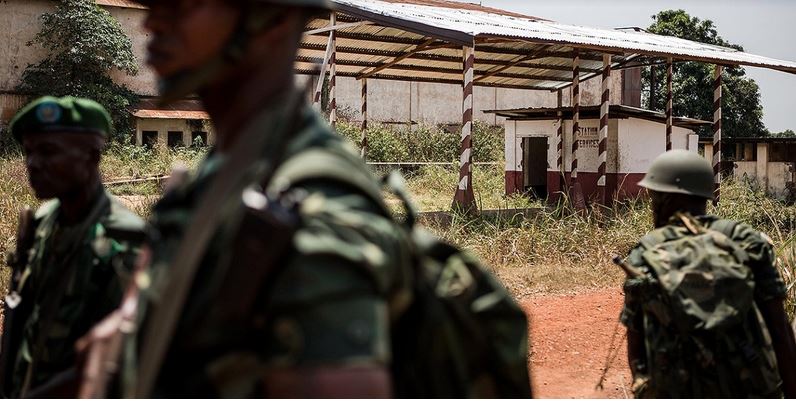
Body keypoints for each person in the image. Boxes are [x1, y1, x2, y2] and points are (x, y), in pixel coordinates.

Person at [78, 0, 418, 397]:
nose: (152, 23)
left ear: (273, 19)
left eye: (180, 5)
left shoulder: (313, 204)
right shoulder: (225, 169)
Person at [620, 149, 796, 398]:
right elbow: (779, 331)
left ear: (663, 199)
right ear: (705, 195)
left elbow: (637, 346)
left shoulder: (646, 250)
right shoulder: (746, 240)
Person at [0, 96, 145, 398]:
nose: (33, 164)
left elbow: (116, 361)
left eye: (48, 151)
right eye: (28, 152)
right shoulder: (43, 222)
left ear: (92, 156)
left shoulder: (123, 240)